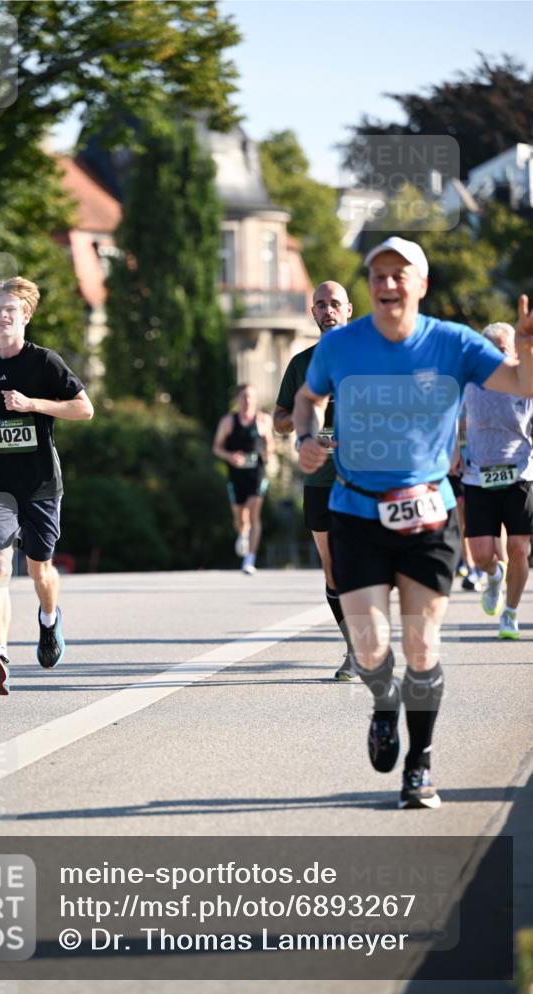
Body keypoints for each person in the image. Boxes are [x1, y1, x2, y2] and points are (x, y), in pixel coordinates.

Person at [293, 236, 533, 810]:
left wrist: (526, 346)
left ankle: (419, 765)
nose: (388, 283)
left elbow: (522, 386)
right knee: (373, 648)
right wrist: (306, 436)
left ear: (421, 285)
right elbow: (308, 398)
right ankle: (383, 703)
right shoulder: (341, 345)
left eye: (401, 274)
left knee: (422, 647)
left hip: (427, 513)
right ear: (369, 285)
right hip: (354, 511)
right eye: (379, 274)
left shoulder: (453, 343)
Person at [0, 276, 94, 696]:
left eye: (10, 310)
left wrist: (33, 404)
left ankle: (49, 621)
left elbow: (84, 409)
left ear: (26, 316)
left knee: (39, 570)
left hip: (39, 483)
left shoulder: (44, 363)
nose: (2, 317)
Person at [274, 281, 357, 680]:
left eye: (335, 304)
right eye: (321, 305)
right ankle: (354, 647)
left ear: (349, 310)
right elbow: (278, 423)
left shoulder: (368, 358)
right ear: (313, 313)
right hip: (320, 478)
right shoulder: (301, 364)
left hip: (366, 478)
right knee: (332, 567)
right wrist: (308, 422)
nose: (328, 310)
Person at [461, 322, 533, 639]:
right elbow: (454, 420)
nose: (496, 356)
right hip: (479, 475)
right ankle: (492, 575)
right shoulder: (470, 384)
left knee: (518, 546)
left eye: (502, 349)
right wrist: (452, 453)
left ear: (514, 352)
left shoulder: (526, 383)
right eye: (489, 349)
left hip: (520, 472)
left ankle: (511, 614)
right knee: (480, 555)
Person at [213, 384, 274, 575]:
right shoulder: (228, 422)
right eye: (243, 397)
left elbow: (269, 444)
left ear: (255, 399)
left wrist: (269, 457)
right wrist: (230, 456)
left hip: (257, 471)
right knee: (240, 517)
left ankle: (250, 559)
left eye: (250, 397)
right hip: (236, 473)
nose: (247, 401)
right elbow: (216, 447)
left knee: (254, 511)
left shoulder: (263, 420)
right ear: (237, 400)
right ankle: (242, 532)